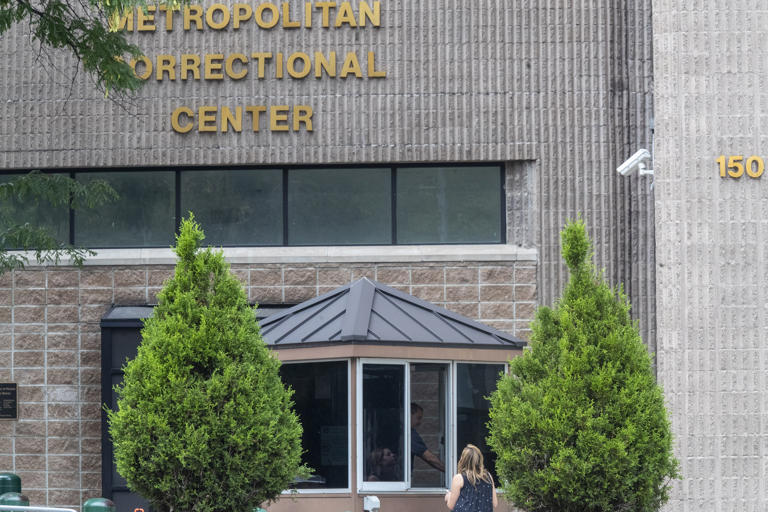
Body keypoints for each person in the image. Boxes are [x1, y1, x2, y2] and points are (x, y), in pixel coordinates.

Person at [444, 444, 497, 512]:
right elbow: (495, 503)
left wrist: (448, 496)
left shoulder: (459, 478)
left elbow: (451, 505)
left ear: (463, 459)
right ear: (480, 459)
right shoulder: (488, 476)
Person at [411, 402, 445, 472]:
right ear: (409, 415)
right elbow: (429, 458)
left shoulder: (401, 431)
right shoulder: (409, 434)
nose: (420, 422)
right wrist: (452, 472)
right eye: (418, 418)